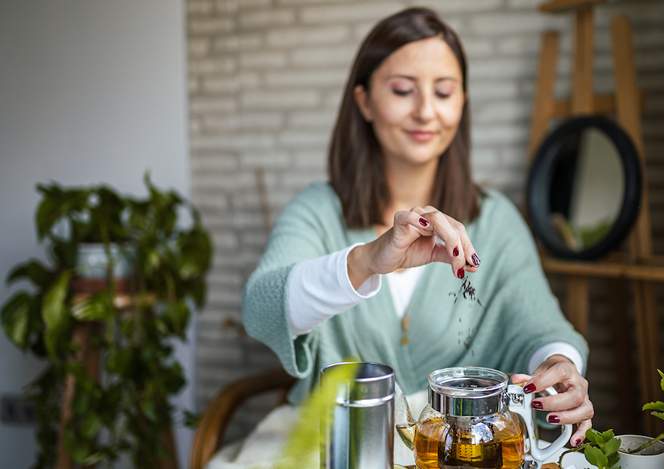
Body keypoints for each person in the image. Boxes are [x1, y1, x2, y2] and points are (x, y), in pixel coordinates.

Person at [241, 5, 594, 456]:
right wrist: (367, 260)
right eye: (404, 90)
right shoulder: (318, 210)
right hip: (332, 445)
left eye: (444, 92)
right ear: (365, 101)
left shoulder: (496, 219)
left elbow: (538, 325)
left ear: (463, 101)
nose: (426, 111)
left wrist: (558, 365)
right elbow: (261, 306)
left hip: (457, 452)